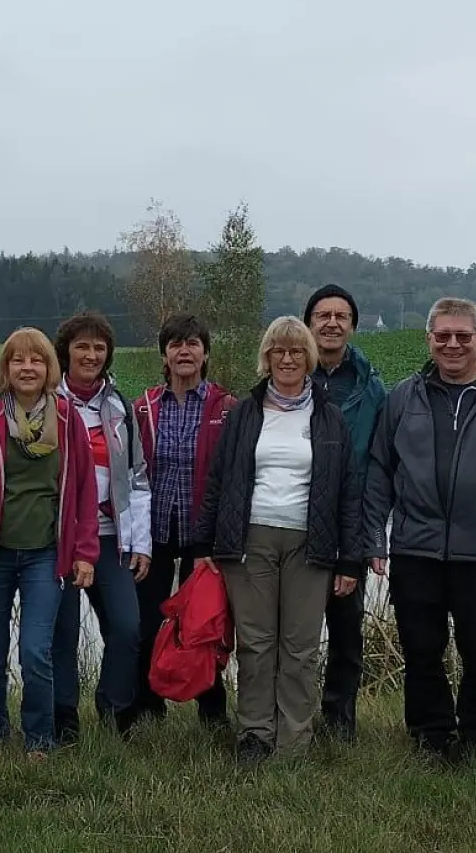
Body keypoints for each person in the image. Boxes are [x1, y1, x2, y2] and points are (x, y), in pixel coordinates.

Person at [362, 297, 476, 761]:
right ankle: (430, 737)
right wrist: (374, 539)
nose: (453, 344)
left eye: (463, 336)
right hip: (414, 550)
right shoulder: (404, 396)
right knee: (421, 652)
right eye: (443, 336)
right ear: (430, 340)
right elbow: (381, 469)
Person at [192, 316, 360, 765]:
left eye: (296, 351)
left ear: (309, 358)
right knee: (256, 643)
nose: (287, 359)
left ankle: (293, 742)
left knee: (300, 647)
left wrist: (351, 561)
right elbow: (218, 480)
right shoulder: (244, 413)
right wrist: (203, 546)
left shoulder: (330, 418)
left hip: (312, 543)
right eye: (277, 351)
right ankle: (254, 735)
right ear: (266, 358)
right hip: (249, 541)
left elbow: (348, 491)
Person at [0, 328, 98, 756]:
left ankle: (40, 739)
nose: (27, 368)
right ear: (7, 369)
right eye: (18, 360)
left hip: (45, 556)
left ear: (49, 368)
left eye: (36, 360)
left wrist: (86, 552)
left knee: (36, 652)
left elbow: (87, 492)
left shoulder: (69, 420)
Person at [126, 314, 237, 730]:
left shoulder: (226, 408)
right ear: (164, 355)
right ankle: (145, 707)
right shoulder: (143, 407)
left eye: (192, 343)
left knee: (203, 625)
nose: (184, 351)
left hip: (202, 538)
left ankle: (213, 713)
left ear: (205, 353)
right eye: (175, 345)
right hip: (152, 534)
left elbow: (233, 479)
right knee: (146, 621)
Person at [50, 312, 151, 740]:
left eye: (98, 348)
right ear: (66, 352)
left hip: (111, 540)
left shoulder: (118, 406)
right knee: (64, 635)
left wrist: (141, 543)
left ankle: (115, 712)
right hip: (58, 540)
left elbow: (139, 476)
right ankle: (63, 718)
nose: (91, 355)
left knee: (128, 628)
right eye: (82, 347)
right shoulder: (44, 403)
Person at [303, 284, 386, 741]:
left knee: (346, 631)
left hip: (349, 520)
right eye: (322, 315)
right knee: (292, 631)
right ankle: (289, 717)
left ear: (352, 325)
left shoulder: (372, 387)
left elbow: (381, 463)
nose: (331, 323)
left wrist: (371, 535)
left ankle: (339, 721)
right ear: (309, 322)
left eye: (341, 316)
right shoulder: (289, 377)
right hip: (293, 519)